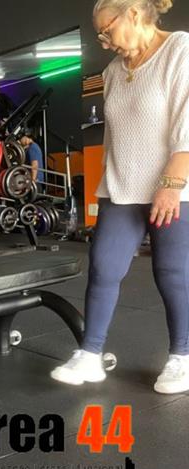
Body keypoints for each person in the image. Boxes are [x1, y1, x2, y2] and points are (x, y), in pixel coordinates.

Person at [51, 0, 189, 394]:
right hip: (122, 188)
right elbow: (115, 138)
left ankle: (182, 357)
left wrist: (172, 184)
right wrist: (106, 185)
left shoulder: (179, 49)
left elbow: (187, 124)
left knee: (172, 272)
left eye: (106, 30)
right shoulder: (112, 71)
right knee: (103, 267)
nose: (103, 41)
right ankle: (89, 354)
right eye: (99, 34)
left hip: (174, 187)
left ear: (133, 13)